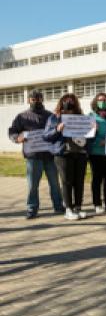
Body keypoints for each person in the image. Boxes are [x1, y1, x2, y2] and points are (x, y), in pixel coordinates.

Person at [8, 90, 64, 219]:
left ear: (42, 99)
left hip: (50, 155)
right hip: (33, 156)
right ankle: (32, 208)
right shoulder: (22, 117)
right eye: (33, 99)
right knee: (32, 185)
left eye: (38, 99)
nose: (36, 101)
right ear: (29, 100)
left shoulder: (51, 115)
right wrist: (17, 138)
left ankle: (58, 206)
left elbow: (57, 132)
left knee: (55, 183)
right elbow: (12, 131)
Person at [42, 93, 91, 220]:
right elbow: (46, 136)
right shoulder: (54, 118)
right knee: (67, 182)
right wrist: (57, 129)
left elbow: (89, 137)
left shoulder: (81, 117)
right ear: (61, 102)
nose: (69, 103)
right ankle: (68, 209)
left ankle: (78, 208)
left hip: (80, 153)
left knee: (79, 182)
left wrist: (92, 129)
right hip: (64, 154)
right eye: (66, 101)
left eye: (72, 101)